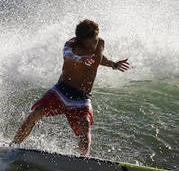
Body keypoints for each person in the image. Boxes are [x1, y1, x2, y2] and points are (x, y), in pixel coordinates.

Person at [11, 19, 131, 155]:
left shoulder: (100, 43)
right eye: (90, 41)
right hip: (62, 90)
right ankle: (13, 146)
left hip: (82, 96)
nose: (94, 43)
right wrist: (81, 59)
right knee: (36, 113)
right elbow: (68, 54)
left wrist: (113, 64)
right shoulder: (71, 44)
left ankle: (83, 160)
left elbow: (99, 57)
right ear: (81, 39)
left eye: (95, 39)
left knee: (84, 126)